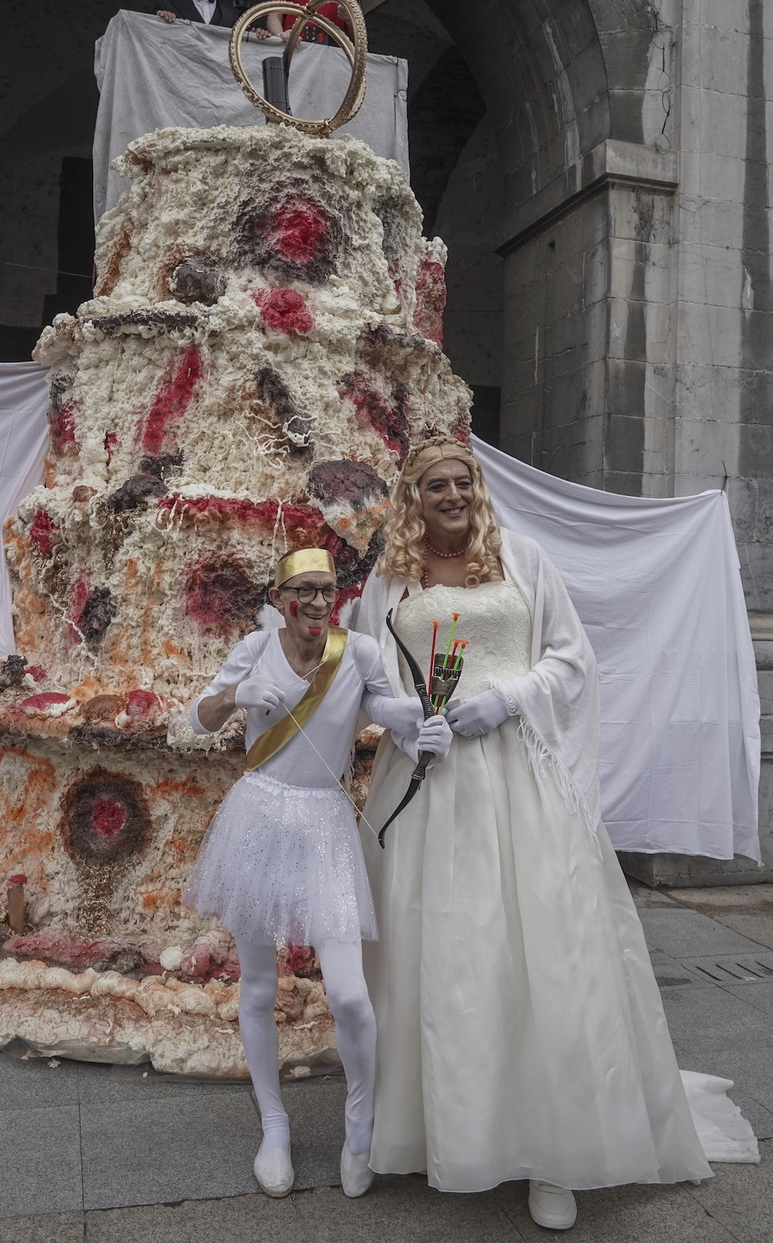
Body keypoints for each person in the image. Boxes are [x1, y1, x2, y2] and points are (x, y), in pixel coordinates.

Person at [354, 436, 715, 1232]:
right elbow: (368, 677)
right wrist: (404, 721)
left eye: (463, 482)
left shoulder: (523, 557)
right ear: (412, 497)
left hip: (519, 775)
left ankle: (557, 1152)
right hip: (430, 785)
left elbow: (572, 659)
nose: (453, 495)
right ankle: (438, 1126)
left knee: (540, 949)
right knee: (443, 954)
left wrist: (509, 698)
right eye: (436, 486)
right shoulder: (391, 577)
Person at [184, 546, 449, 1201]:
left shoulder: (355, 652)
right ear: (278, 598)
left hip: (326, 823)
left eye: (324, 590)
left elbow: (387, 712)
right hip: (258, 817)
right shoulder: (255, 647)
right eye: (300, 590)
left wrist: (424, 726)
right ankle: (273, 1125)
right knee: (258, 985)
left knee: (350, 994)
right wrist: (236, 695)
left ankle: (360, 1128)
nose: (313, 601)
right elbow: (194, 718)